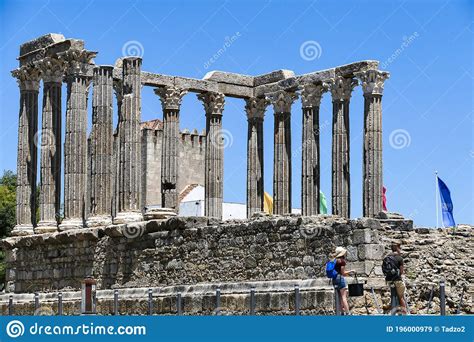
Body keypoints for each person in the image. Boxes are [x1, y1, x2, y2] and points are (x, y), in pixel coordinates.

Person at [383, 242, 406, 314]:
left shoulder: (386, 258)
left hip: (389, 280)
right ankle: (404, 313)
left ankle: (393, 312)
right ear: (398, 248)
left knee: (393, 295)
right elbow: (401, 271)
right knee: (400, 297)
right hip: (397, 280)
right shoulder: (399, 258)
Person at [332, 246, 355, 315]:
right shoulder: (342, 262)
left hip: (334, 279)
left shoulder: (334, 261)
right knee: (343, 297)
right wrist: (351, 271)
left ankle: (341, 313)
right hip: (340, 279)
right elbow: (343, 273)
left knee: (339, 297)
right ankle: (347, 313)